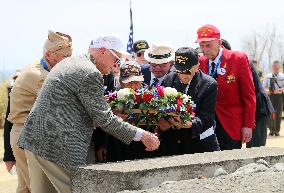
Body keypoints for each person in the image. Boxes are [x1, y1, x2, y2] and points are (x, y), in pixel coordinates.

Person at [17, 34, 160, 193]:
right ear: (104, 51)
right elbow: (105, 120)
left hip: (36, 141)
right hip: (56, 146)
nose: (116, 65)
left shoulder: (73, 62)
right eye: (116, 59)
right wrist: (143, 135)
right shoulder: (90, 72)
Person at [7, 30, 72, 193]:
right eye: (63, 57)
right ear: (49, 54)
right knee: (38, 188)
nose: (67, 61)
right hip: (28, 134)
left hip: (25, 133)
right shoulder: (40, 76)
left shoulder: (38, 67)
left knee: (25, 187)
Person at [197, 24, 256, 150]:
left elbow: (249, 95)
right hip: (206, 125)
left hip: (231, 124)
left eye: (208, 45)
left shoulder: (238, 58)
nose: (205, 49)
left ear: (219, 43)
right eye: (201, 46)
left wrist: (248, 125)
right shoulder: (200, 61)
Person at [158, 47, 220, 156]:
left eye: (187, 71)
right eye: (179, 70)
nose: (183, 75)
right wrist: (164, 121)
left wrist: (189, 124)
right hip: (174, 143)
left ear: (197, 66)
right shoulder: (168, 80)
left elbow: (208, 118)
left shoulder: (209, 85)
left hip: (200, 144)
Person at [3, 71, 20, 175]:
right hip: (18, 147)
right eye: (15, 79)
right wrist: (8, 157)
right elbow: (8, 125)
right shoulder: (12, 94)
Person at [263, 60, 284, 136]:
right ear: (272, 67)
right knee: (271, 113)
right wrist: (269, 91)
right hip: (270, 96)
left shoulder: (282, 76)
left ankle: (277, 130)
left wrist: (281, 89)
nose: (275, 68)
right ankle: (271, 130)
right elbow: (263, 88)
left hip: (279, 97)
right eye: (274, 67)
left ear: (279, 67)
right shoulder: (267, 76)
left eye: (277, 67)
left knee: (278, 114)